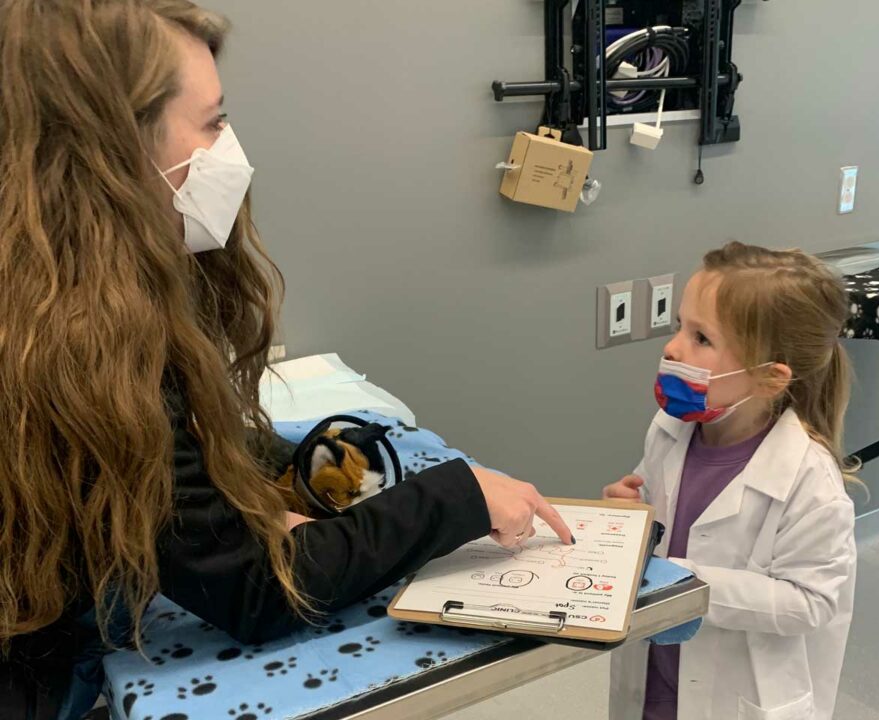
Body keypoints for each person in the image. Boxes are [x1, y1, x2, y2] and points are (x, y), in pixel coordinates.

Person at [0, 2, 572, 717]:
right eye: (212, 122)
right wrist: (458, 497)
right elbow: (257, 590)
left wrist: (259, 483)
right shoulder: (84, 344)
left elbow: (176, 468)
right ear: (111, 147)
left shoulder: (45, 296)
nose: (229, 148)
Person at [603, 242, 858, 719]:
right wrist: (626, 513)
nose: (673, 346)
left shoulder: (809, 482)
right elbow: (655, 503)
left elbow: (811, 601)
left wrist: (685, 586)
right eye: (680, 325)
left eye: (702, 338)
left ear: (769, 377)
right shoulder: (671, 430)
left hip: (733, 696)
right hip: (656, 675)